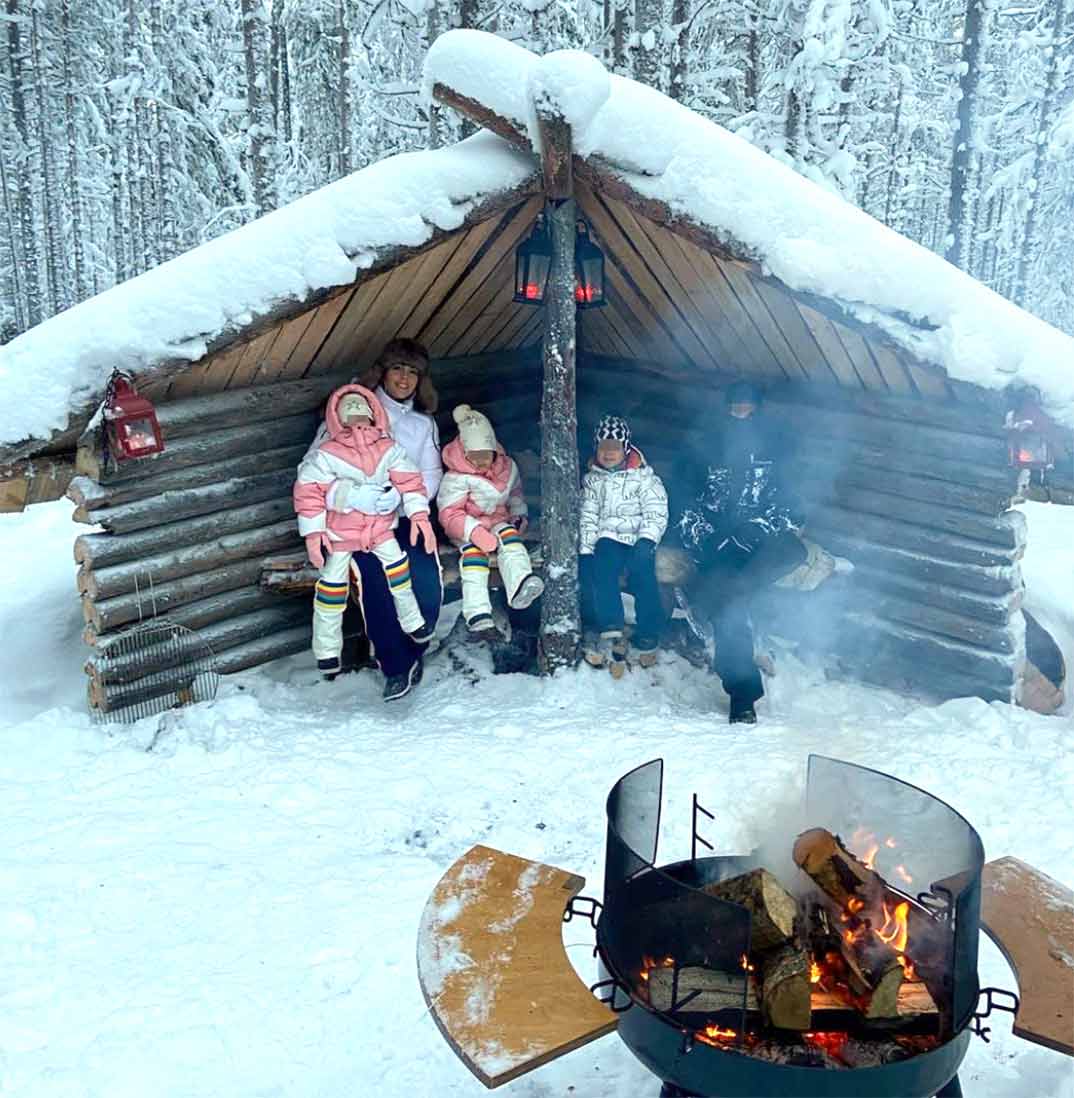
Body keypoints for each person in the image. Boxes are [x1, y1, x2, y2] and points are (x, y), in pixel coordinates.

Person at [303, 339, 444, 701]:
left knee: (426, 574)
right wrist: (352, 497)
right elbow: (310, 473)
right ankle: (395, 666)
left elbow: (430, 473)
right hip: (352, 527)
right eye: (398, 368)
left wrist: (402, 498)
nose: (404, 378)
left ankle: (415, 650)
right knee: (376, 584)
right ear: (383, 371)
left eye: (413, 372)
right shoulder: (354, 411)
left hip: (401, 519)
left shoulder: (422, 424)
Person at [678, 380, 806, 724]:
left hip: (758, 545)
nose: (742, 413)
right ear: (726, 408)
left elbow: (793, 508)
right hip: (719, 550)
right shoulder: (704, 445)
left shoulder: (776, 448)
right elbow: (685, 505)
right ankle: (743, 697)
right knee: (728, 608)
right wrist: (707, 539)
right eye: (736, 407)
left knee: (792, 552)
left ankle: (733, 594)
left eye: (748, 407)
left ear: (758, 408)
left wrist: (756, 530)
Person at [437, 404, 544, 635]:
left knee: (512, 541)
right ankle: (477, 612)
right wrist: (474, 532)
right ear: (465, 453)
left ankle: (520, 586)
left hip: (497, 521)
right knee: (474, 560)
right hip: (466, 527)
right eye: (474, 456)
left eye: (485, 455)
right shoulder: (456, 477)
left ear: (494, 450)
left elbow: (515, 493)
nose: (481, 461)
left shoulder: (507, 468)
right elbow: (449, 514)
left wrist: (518, 516)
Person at [579, 414, 669, 676]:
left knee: (644, 578)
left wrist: (647, 540)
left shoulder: (643, 477)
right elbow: (588, 517)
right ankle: (611, 622)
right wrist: (586, 550)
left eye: (614, 448)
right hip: (609, 537)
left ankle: (649, 631)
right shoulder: (593, 480)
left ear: (625, 449)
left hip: (639, 538)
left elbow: (656, 511)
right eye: (603, 448)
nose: (608, 453)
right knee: (601, 569)